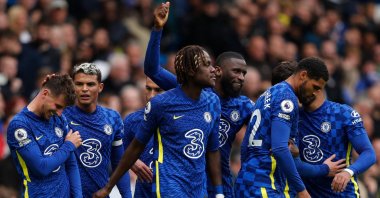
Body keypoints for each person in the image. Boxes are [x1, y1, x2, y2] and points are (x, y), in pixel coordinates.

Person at [93, 8, 223, 198]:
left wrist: (218, 193)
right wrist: (157, 29)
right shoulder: (163, 102)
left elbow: (213, 150)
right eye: (207, 65)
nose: (214, 70)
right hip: (169, 188)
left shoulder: (212, 101)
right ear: (191, 71)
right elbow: (135, 147)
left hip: (198, 189)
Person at [143, 2, 254, 197]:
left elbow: (270, 124)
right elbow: (152, 70)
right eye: (236, 71)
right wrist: (158, 29)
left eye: (244, 73)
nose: (241, 77)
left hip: (221, 183)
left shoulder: (243, 106)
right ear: (217, 71)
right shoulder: (193, 92)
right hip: (187, 181)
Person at [272, 61, 376, 197]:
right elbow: (292, 163)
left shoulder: (343, 113)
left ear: (317, 87)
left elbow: (369, 153)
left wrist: (348, 172)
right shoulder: (291, 117)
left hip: (342, 194)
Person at [236, 57, 330, 198]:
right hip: (264, 185)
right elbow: (280, 149)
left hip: (249, 181)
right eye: (315, 87)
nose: (315, 93)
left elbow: (245, 146)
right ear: (303, 75)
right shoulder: (287, 98)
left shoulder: (267, 94)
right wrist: (301, 190)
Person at [6, 74, 83, 197]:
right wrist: (69, 145)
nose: (59, 113)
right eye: (58, 106)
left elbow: (71, 164)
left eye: (63, 109)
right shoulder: (20, 125)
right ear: (45, 93)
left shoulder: (59, 120)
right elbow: (41, 168)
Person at [63, 63, 131, 198]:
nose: (84, 89)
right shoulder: (61, 116)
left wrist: (127, 196)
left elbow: (119, 163)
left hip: (99, 194)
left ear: (100, 87)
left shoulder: (112, 118)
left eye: (90, 84)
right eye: (79, 84)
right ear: (72, 87)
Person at [123, 77, 163, 197]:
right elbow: (117, 152)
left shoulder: (183, 121)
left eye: (158, 90)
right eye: (148, 89)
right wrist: (131, 161)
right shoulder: (132, 121)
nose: (151, 95)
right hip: (143, 193)